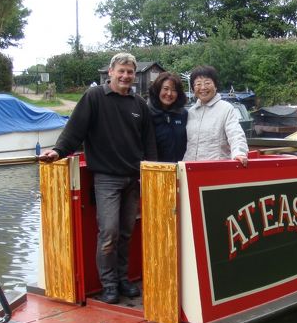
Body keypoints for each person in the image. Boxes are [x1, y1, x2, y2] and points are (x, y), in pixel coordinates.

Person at [39, 53, 158, 304]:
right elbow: (75, 129)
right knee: (109, 233)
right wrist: (59, 151)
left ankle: (123, 279)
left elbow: (149, 143)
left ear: (134, 75)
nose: (125, 76)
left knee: (127, 232)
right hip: (106, 179)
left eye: (130, 72)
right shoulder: (94, 97)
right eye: (121, 71)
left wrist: (150, 173)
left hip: (133, 179)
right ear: (111, 72)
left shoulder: (139, 105)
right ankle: (109, 284)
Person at [183, 65, 248, 166]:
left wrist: (239, 153)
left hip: (215, 170)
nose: (203, 87)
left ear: (216, 86)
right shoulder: (191, 112)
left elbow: (236, 134)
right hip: (189, 169)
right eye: (198, 84)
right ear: (192, 89)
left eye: (207, 83)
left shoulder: (226, 109)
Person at [146, 72, 188, 162]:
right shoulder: (146, 113)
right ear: (157, 90)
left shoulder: (183, 114)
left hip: (180, 169)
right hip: (155, 169)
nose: (169, 93)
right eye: (165, 89)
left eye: (174, 90)